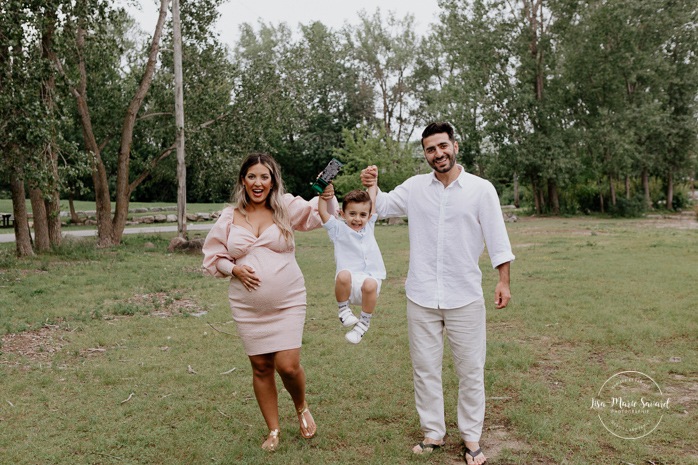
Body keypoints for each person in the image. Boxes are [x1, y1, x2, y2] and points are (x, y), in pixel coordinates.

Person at [361, 122, 514, 465]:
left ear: (455, 146)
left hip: (465, 296)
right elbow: (382, 207)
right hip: (421, 295)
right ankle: (433, 433)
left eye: (443, 146)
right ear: (426, 154)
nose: (438, 154)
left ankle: (471, 438)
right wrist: (372, 186)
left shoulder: (481, 189)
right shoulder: (416, 188)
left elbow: (497, 238)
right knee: (425, 368)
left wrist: (503, 281)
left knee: (471, 370)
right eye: (431, 149)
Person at [202, 153, 338, 452]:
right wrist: (234, 268)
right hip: (247, 306)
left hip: (288, 299)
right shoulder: (230, 215)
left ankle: (301, 406)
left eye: (265, 176)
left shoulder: (286, 207)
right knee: (261, 366)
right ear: (243, 180)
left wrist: (327, 193)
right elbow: (214, 257)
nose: (258, 182)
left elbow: (321, 216)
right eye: (252, 176)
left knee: (287, 365)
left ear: (273, 180)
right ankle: (273, 429)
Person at [317, 184, 386, 344]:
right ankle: (343, 310)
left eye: (363, 215)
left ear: (369, 216)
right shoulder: (338, 229)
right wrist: (322, 192)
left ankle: (363, 324)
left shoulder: (369, 225)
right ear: (342, 214)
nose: (357, 219)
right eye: (352, 214)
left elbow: (372, 200)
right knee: (343, 274)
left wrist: (372, 184)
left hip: (369, 283)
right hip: (347, 285)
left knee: (370, 284)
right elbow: (322, 212)